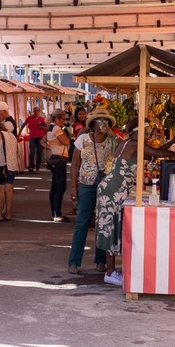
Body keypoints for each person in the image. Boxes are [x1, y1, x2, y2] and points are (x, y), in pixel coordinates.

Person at [95, 118, 175, 286]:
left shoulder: (128, 143)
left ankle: (112, 270)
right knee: (110, 229)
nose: (148, 134)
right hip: (113, 190)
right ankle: (110, 272)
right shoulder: (134, 143)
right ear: (137, 131)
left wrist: (173, 142)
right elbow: (156, 153)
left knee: (110, 228)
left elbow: (153, 151)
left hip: (110, 187)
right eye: (146, 130)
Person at [67, 108, 117, 274]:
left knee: (103, 223)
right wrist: (73, 187)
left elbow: (125, 148)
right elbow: (75, 163)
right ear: (93, 124)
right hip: (86, 184)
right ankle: (74, 261)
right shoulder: (83, 139)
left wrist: (112, 133)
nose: (102, 124)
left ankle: (101, 261)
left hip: (106, 186)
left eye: (105, 121)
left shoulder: (112, 140)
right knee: (82, 222)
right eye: (99, 121)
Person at [45, 109, 71, 222]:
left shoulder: (50, 128)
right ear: (57, 119)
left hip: (55, 157)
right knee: (60, 186)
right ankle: (57, 213)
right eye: (63, 119)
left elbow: (42, 141)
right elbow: (66, 142)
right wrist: (64, 134)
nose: (64, 122)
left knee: (55, 187)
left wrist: (51, 147)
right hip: (59, 159)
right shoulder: (56, 128)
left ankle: (55, 212)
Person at [22, 107, 47, 173]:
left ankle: (37, 168)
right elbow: (23, 125)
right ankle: (31, 167)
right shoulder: (29, 118)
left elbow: (47, 128)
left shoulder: (42, 119)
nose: (36, 112)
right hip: (32, 137)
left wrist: (42, 127)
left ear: (40, 111)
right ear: (33, 111)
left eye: (38, 110)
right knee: (32, 152)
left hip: (40, 137)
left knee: (39, 152)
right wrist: (19, 134)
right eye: (35, 111)